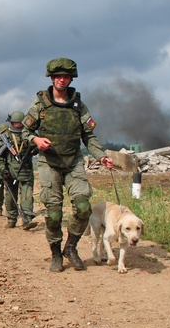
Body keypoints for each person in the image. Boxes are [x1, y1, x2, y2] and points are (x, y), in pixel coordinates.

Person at [22, 58, 114, 272]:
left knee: (83, 208)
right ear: (52, 78)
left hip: (73, 162)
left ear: (72, 78)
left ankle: (70, 247)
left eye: (65, 76)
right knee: (54, 214)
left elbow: (89, 136)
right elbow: (25, 131)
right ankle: (55, 253)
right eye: (57, 77)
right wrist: (36, 140)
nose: (61, 80)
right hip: (49, 163)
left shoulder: (78, 106)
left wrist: (101, 156)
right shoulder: (40, 105)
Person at [0, 111, 37, 229]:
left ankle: (27, 219)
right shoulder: (6, 135)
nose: (18, 125)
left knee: (27, 196)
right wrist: (2, 169)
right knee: (10, 196)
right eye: (15, 123)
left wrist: (34, 150)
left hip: (26, 170)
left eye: (20, 123)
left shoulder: (28, 134)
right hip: (10, 171)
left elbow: (37, 146)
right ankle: (11, 218)